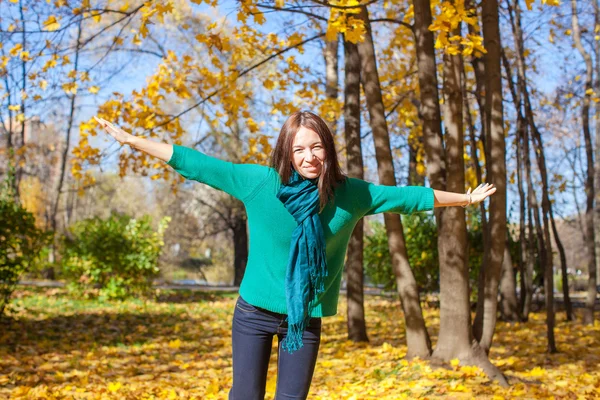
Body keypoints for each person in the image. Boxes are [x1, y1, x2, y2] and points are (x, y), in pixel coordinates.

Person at [95, 111, 496, 400]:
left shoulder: (350, 194)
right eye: (299, 149)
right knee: (245, 395)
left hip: (303, 318)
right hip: (253, 312)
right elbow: (197, 164)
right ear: (287, 153)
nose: (309, 157)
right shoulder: (260, 183)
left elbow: (408, 197)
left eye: (316, 146)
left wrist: (464, 199)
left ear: (328, 149)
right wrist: (133, 141)